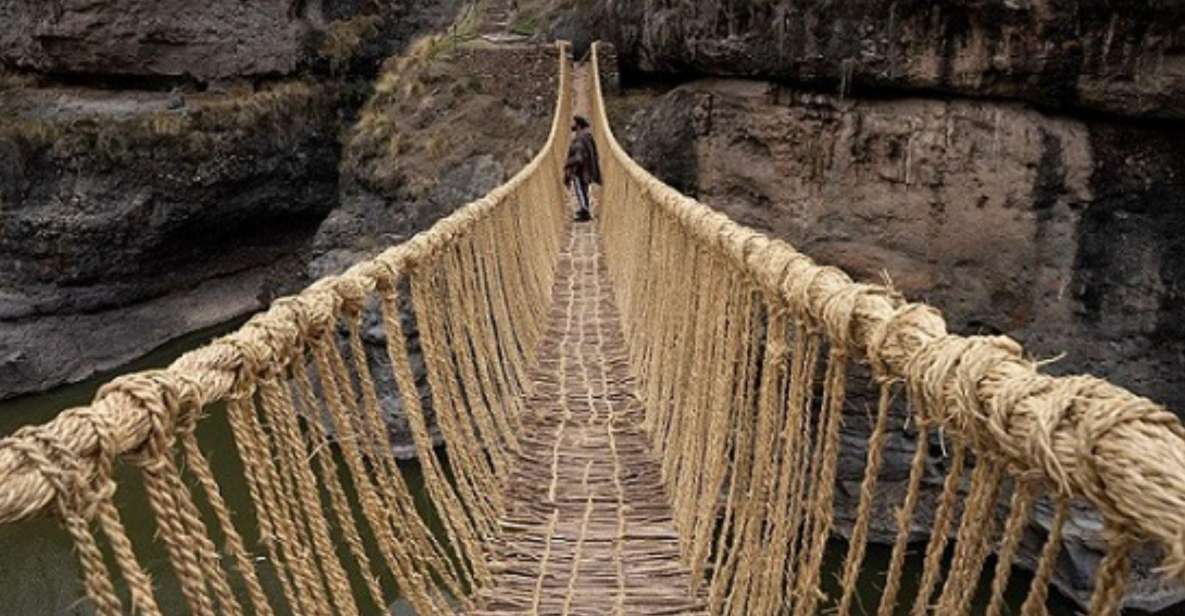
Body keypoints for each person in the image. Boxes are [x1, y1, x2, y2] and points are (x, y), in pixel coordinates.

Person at [564, 115, 601, 222]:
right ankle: (584, 210)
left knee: (580, 190)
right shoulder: (588, 137)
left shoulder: (580, 139)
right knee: (584, 190)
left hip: (581, 171)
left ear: (579, 126)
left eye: (575, 124)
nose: (573, 126)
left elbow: (578, 157)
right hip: (588, 169)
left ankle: (585, 212)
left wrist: (568, 165)